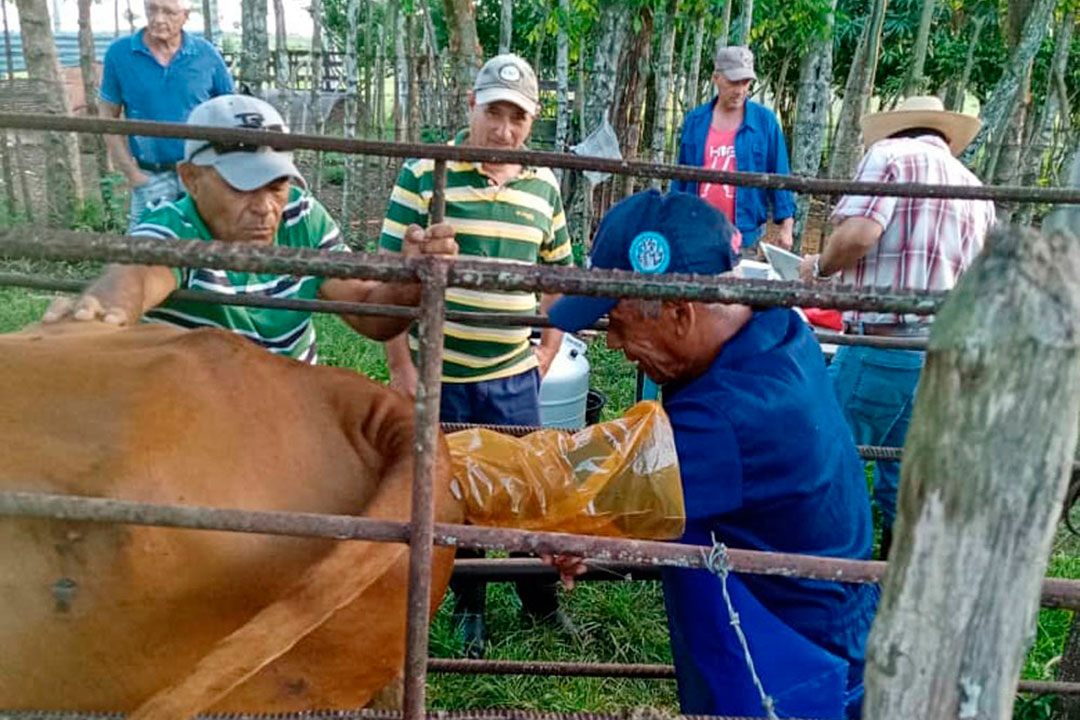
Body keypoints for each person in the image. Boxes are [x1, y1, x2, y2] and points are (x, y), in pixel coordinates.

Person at [545, 190, 878, 720]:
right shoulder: (774, 326)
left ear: (680, 311)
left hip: (790, 655)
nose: (613, 344)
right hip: (809, 614)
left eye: (618, 320)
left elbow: (574, 484)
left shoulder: (729, 418)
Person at [379, 54, 574, 657]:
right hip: (442, 374)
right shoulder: (426, 174)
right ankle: (470, 607)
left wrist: (547, 346)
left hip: (512, 374)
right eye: (494, 111)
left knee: (522, 490)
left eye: (517, 117)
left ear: (530, 123)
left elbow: (558, 273)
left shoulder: (544, 185)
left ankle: (541, 602)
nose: (504, 128)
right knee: (453, 495)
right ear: (472, 105)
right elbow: (388, 277)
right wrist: (402, 367)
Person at [43, 94, 457, 351]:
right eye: (243, 185)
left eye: (276, 185)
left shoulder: (301, 215)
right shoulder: (174, 227)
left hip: (288, 401)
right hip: (200, 412)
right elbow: (136, 273)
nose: (265, 208)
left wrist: (411, 278)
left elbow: (370, 315)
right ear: (191, 179)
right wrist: (100, 314)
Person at [798, 95, 996, 557]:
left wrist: (820, 268)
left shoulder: (889, 156)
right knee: (904, 477)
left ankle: (819, 573)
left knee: (825, 460)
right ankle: (894, 583)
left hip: (883, 345)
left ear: (896, 129)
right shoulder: (976, 190)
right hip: (942, 355)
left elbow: (860, 234)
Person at [100, 0, 234, 231]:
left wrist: (222, 167)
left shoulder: (206, 55)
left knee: (204, 243)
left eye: (169, 12)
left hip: (200, 171)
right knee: (144, 248)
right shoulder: (120, 54)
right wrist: (131, 172)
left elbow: (230, 112)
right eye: (152, 9)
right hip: (150, 172)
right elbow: (107, 116)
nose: (158, 18)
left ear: (185, 15)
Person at [671, 46, 795, 255]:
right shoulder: (695, 121)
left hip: (745, 234)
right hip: (696, 230)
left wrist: (787, 227)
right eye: (733, 82)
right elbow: (680, 177)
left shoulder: (765, 122)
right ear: (716, 78)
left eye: (745, 82)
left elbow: (780, 174)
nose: (740, 90)